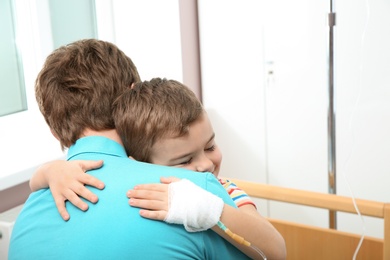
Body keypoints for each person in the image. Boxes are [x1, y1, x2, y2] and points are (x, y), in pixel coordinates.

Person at [8, 39, 256, 260]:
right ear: (133, 96)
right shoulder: (193, 193)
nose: (202, 162)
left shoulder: (25, 219)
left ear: (54, 130)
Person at [29, 78, 286, 259]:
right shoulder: (141, 187)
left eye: (210, 146)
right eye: (185, 161)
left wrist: (205, 209)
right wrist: (51, 170)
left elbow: (276, 250)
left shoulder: (225, 190)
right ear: (139, 164)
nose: (207, 164)